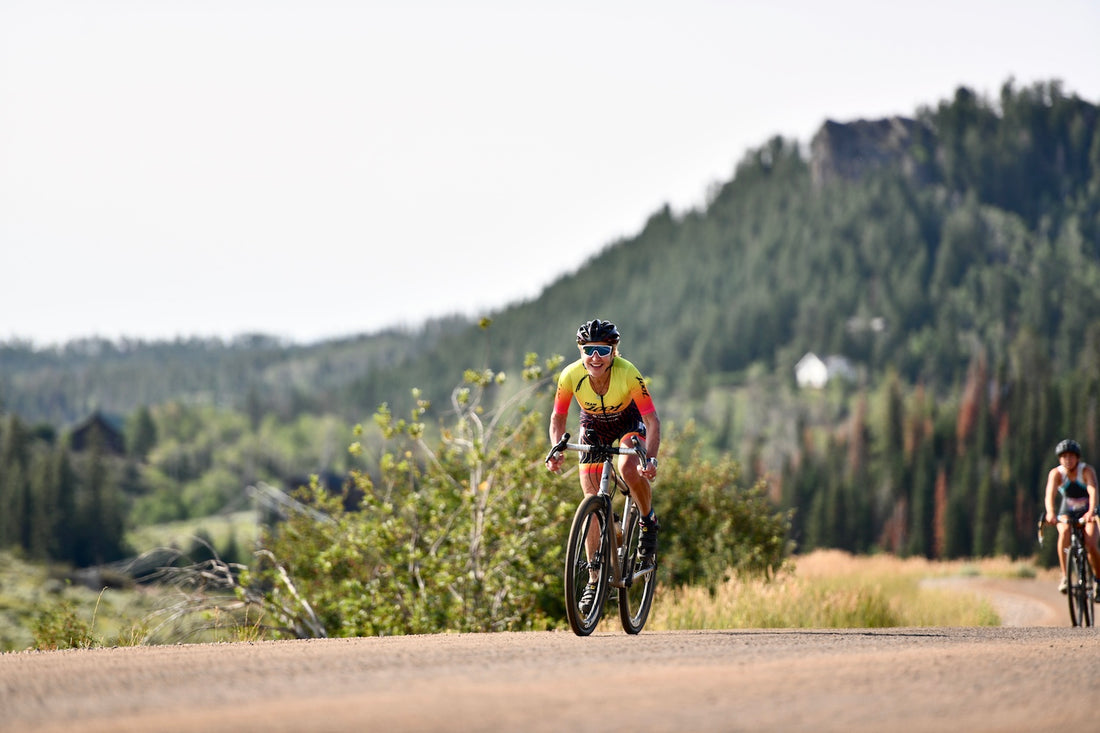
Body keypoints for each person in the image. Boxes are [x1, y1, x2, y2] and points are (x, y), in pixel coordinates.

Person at [545, 318, 662, 614]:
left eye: (602, 350)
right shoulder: (570, 375)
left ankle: (647, 521)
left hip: (628, 422)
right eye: (588, 350)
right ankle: (594, 580)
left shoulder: (629, 374)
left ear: (613, 352)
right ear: (581, 351)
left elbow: (651, 421)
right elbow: (558, 419)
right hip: (593, 425)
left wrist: (650, 458)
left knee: (627, 468)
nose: (595, 357)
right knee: (590, 502)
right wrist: (557, 447)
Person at [1043, 438, 1100, 594]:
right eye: (1064, 456)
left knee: (1091, 543)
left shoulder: (1086, 471)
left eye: (1071, 456)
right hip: (1067, 510)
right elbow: (1050, 494)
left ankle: (1098, 580)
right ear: (1060, 459)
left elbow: (1093, 491)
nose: (1067, 460)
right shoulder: (1056, 474)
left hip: (1088, 510)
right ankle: (1065, 576)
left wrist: (1091, 511)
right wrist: (1051, 513)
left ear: (1078, 457)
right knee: (1065, 531)